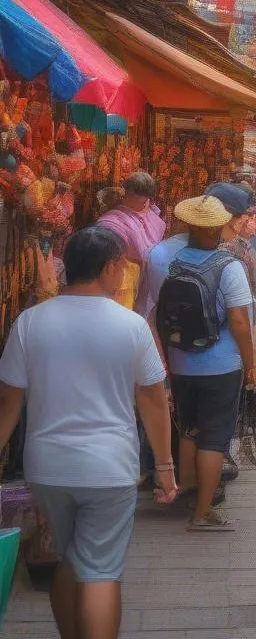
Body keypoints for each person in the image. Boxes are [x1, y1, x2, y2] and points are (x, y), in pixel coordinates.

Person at [0, 227, 175, 639]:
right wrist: (165, 466)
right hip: (109, 468)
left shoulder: (30, 322)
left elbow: (9, 403)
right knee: (100, 570)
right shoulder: (131, 326)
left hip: (48, 467)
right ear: (110, 267)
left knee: (71, 558)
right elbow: (153, 401)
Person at [148, 195, 256, 532]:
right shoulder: (228, 266)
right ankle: (202, 512)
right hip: (220, 365)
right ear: (217, 226)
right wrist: (251, 362)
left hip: (182, 363)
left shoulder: (174, 261)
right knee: (214, 437)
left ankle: (190, 493)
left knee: (189, 428)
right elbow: (239, 320)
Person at [207, 182, 256, 397]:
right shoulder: (238, 254)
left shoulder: (178, 251)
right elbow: (246, 311)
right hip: (227, 355)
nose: (248, 220)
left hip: (188, 359)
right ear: (231, 220)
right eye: (244, 216)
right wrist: (250, 365)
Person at [95, 171, 167, 310]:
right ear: (127, 194)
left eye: (147, 200)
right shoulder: (110, 224)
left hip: (142, 282)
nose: (147, 203)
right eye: (142, 199)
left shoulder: (149, 212)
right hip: (121, 283)